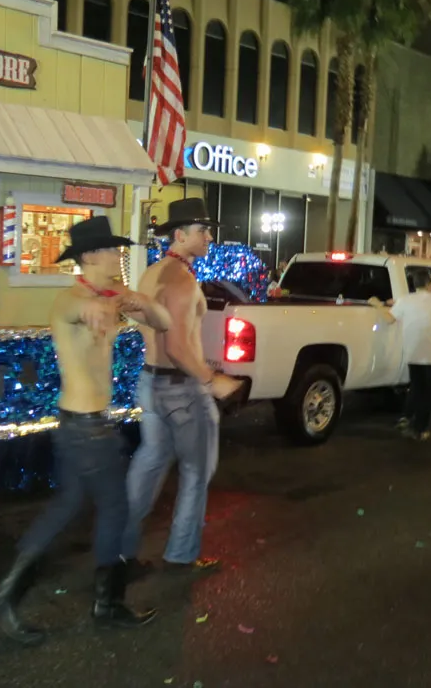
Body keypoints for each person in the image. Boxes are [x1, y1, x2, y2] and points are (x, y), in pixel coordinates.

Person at [0, 216, 171, 646]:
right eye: (112, 250)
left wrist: (137, 300)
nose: (119, 256)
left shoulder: (114, 294)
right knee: (116, 509)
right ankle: (107, 605)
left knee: (67, 507)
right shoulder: (70, 300)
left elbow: (163, 322)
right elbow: (77, 309)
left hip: (80, 427)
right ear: (89, 256)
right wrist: (99, 307)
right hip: (87, 431)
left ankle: (6, 595)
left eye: (119, 250)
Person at [121, 198, 243, 578]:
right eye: (202, 230)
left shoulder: (152, 273)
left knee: (150, 463)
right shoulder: (181, 280)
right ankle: (181, 556)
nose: (209, 237)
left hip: (150, 381)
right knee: (196, 471)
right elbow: (176, 347)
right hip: (182, 387)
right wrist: (212, 380)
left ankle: (118, 551)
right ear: (180, 235)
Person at [368, 267, 431, 441]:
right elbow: (421, 304)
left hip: (413, 352)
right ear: (429, 284)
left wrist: (379, 305)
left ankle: (406, 417)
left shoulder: (405, 301)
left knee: (416, 387)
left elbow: (389, 319)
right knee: (427, 393)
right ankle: (420, 429)